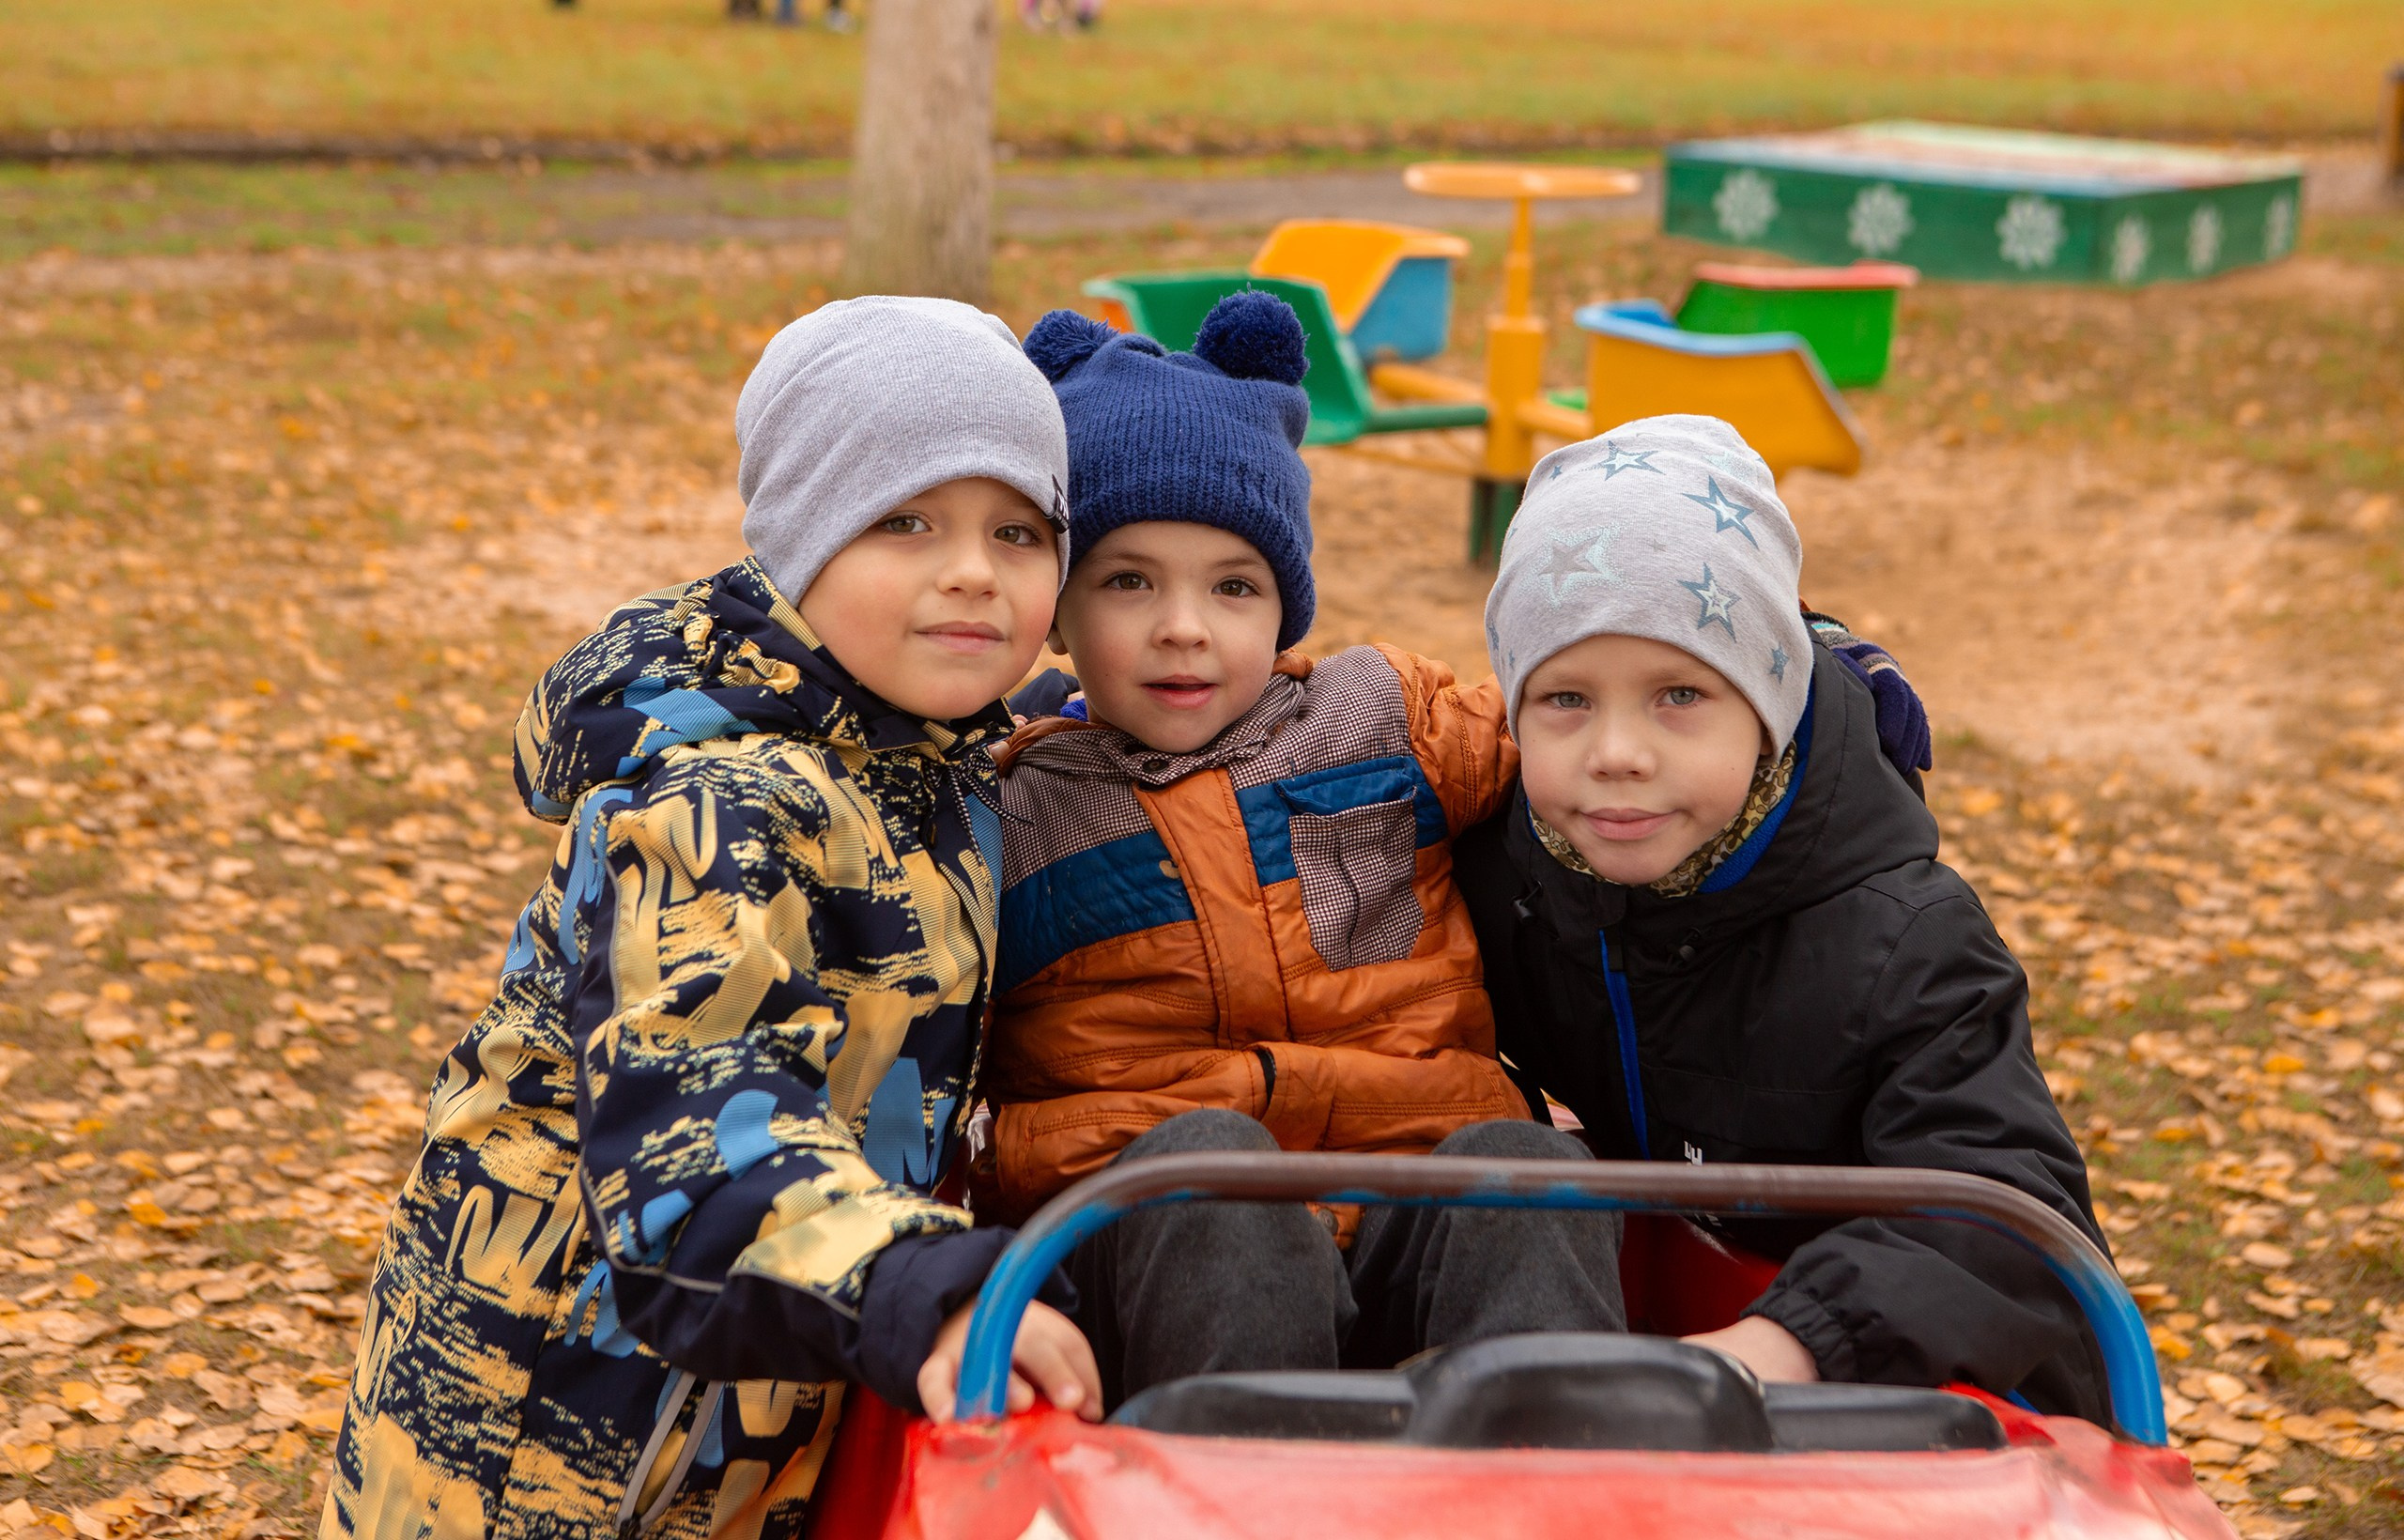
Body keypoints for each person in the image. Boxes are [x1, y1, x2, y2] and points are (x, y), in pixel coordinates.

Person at [322, 297, 1102, 1539]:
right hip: (562, 1418)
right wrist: (914, 1285)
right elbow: (697, 1099)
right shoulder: (709, 807)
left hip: (757, 1355)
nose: (971, 568)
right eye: (905, 520)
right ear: (799, 548)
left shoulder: (952, 755)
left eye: (1017, 529)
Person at [977, 294, 1622, 1409]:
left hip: (1404, 1189)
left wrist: (1769, 692)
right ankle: (1234, 1480)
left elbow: (1581, 735)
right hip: (1147, 1241)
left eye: (1234, 586)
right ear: (1059, 609)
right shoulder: (1013, 801)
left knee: (1528, 1172)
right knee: (1216, 1172)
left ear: (1283, 607)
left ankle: (1549, 1472)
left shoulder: (1379, 719)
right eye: (1129, 580)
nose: (1186, 625)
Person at [1454, 413, 2110, 1412]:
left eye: (1678, 693)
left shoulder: (1899, 937)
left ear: (1767, 707)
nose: (1617, 751)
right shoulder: (1511, 882)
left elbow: (2009, 1209)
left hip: (1921, 1402)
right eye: (1565, 699)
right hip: (1654, 1361)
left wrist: (1787, 1343)